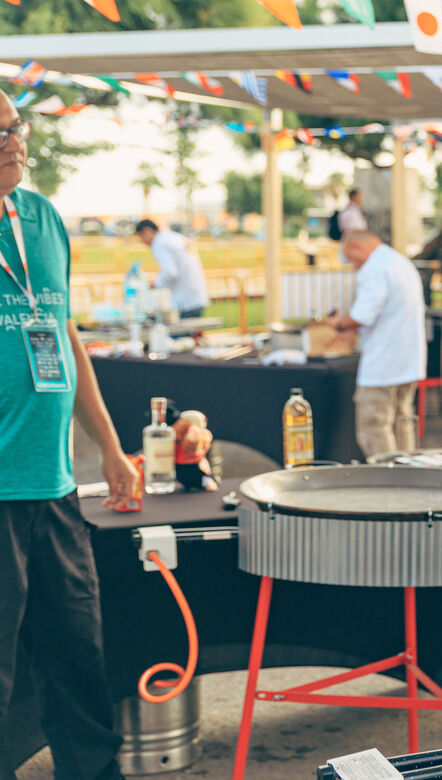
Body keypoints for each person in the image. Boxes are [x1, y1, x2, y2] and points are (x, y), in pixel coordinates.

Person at [0, 90, 138, 780]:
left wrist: (109, 446)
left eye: (15, 126)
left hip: (53, 488)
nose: (12, 140)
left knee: (78, 660)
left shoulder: (43, 218)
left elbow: (64, 336)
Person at [331, 230, 426, 458]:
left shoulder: (374, 269)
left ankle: (387, 481)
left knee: (373, 428)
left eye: (351, 258)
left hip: (383, 364)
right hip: (409, 360)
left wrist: (340, 323)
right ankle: (409, 479)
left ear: (356, 248)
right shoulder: (400, 262)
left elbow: (363, 315)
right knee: (402, 423)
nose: (354, 266)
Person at [134, 219, 209, 318]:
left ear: (147, 231)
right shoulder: (173, 237)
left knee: (177, 332)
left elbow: (170, 272)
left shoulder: (159, 243)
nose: (142, 242)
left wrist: (155, 285)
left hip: (184, 301)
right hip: (197, 297)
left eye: (141, 237)